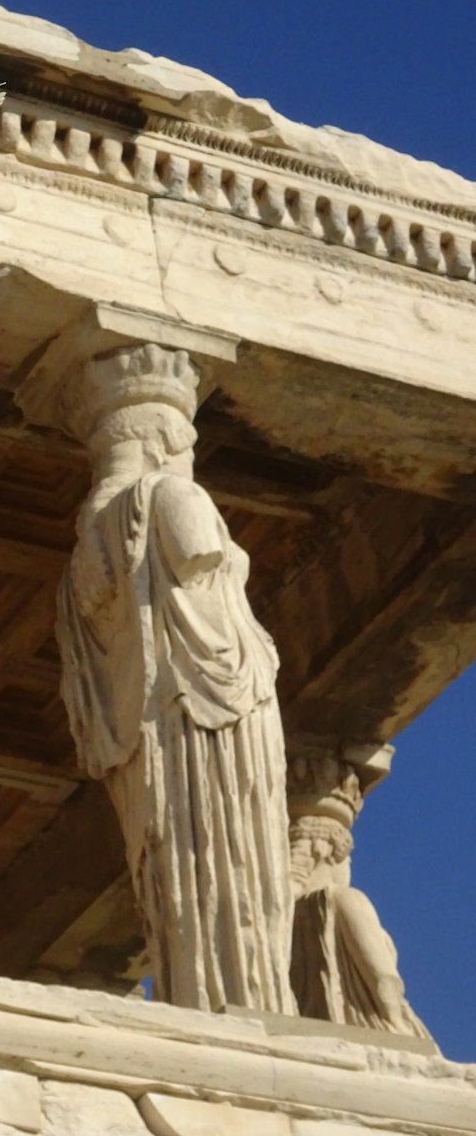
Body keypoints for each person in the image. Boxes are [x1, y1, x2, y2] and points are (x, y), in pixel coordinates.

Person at [57, 345, 294, 1013]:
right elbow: (200, 552)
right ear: (167, 437)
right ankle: (247, 1003)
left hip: (150, 738)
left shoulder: (82, 556)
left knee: (178, 863)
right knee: (241, 865)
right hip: (215, 713)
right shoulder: (174, 494)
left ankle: (205, 992)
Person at [289, 814, 431, 1039]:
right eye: (348, 860)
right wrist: (398, 1023)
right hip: (369, 1027)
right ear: (327, 854)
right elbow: (381, 975)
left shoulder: (284, 913)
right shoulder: (345, 898)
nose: (349, 867)